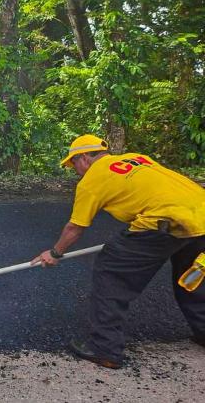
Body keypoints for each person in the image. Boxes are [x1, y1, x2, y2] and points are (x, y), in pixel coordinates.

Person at [32, 135, 205, 369]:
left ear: (83, 158)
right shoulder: (136, 158)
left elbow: (75, 228)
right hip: (199, 217)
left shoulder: (92, 179)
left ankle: (105, 348)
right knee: (191, 279)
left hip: (164, 221)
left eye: (73, 165)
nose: (75, 172)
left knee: (111, 271)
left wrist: (54, 253)